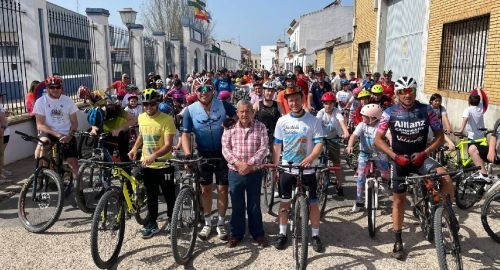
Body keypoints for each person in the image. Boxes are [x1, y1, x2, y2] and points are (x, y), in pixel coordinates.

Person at [374, 76, 454, 260]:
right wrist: (394, 156)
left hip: (421, 158)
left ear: (415, 92)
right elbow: (378, 140)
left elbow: (440, 137)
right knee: (399, 200)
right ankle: (398, 239)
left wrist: (424, 153)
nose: (407, 94)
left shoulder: (427, 110)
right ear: (397, 94)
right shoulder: (389, 112)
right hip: (399, 160)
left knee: (446, 178)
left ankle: (448, 215)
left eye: (410, 90)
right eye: (402, 91)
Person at [181, 75, 237, 241]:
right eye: (199, 89)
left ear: (213, 90)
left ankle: (220, 222)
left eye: (207, 88)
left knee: (222, 189)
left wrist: (230, 121)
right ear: (195, 91)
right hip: (203, 154)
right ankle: (207, 222)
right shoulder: (190, 110)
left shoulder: (223, 105)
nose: (203, 92)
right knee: (205, 190)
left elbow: (238, 115)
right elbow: (185, 134)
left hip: (223, 154)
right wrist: (187, 155)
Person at [273, 86, 325, 253]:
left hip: (308, 169)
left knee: (314, 204)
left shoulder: (313, 120)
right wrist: (276, 167)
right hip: (288, 168)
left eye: (296, 99)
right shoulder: (282, 121)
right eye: (290, 100)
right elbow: (277, 145)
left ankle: (316, 235)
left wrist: (310, 158)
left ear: (302, 99)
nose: (293, 103)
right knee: (284, 203)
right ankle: (282, 233)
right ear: (286, 102)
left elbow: (319, 143)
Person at [128, 88, 177, 238]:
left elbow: (168, 145)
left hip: (164, 164)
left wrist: (154, 155)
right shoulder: (142, 117)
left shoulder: (167, 119)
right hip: (147, 165)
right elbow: (142, 135)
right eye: (146, 104)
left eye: (152, 104)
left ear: (157, 103)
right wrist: (135, 148)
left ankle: (171, 220)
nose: (149, 107)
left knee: (169, 195)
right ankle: (153, 223)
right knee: (152, 195)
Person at [221, 100, 269, 248]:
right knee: (237, 204)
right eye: (241, 111)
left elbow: (264, 147)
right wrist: (237, 163)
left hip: (254, 171)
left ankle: (258, 233)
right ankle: (236, 234)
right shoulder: (229, 127)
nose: (244, 114)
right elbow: (225, 148)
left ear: (253, 112)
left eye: (248, 111)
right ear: (237, 113)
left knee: (254, 204)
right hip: (235, 172)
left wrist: (250, 164)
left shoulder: (260, 127)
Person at [33, 75, 79, 194]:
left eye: (57, 87)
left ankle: (80, 193)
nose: (55, 89)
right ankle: (42, 172)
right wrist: (57, 135)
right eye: (51, 87)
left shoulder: (67, 100)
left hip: (66, 133)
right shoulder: (41, 102)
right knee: (43, 143)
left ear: (61, 88)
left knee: (74, 164)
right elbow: (40, 125)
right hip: (49, 131)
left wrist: (70, 134)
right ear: (47, 88)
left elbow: (74, 122)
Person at [346, 104, 390, 212]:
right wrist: (350, 145)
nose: (362, 118)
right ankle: (359, 201)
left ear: (373, 117)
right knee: (360, 176)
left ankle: (384, 182)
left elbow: (389, 135)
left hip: (378, 153)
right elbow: (354, 136)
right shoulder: (362, 125)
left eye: (365, 116)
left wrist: (393, 144)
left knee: (385, 170)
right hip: (364, 153)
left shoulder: (381, 126)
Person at [316, 92, 349, 195]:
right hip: (321, 139)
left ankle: (339, 184)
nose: (328, 105)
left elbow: (341, 122)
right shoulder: (321, 113)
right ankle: (316, 180)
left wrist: (346, 132)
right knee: (315, 159)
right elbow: (315, 124)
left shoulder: (337, 112)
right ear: (323, 104)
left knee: (336, 162)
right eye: (326, 103)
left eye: (331, 103)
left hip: (333, 138)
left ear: (334, 104)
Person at [457, 91, 488, 179]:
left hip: (472, 136)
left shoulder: (468, 109)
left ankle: (477, 170)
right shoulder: (480, 107)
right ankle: (478, 170)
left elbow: (465, 120)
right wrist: (479, 89)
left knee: (473, 154)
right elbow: (481, 98)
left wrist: (460, 130)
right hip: (481, 136)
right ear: (478, 102)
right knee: (479, 155)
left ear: (469, 101)